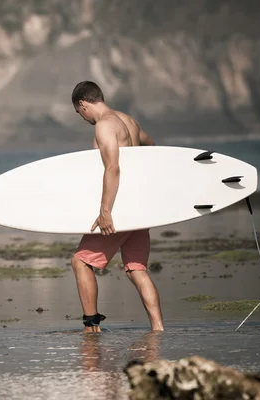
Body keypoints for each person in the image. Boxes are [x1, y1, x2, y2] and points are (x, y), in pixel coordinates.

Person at [70, 81, 164, 333]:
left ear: (83, 104)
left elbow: (112, 167)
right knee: (136, 268)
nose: (82, 118)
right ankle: (158, 328)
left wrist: (105, 211)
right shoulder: (128, 121)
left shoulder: (104, 126)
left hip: (120, 208)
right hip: (139, 208)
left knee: (80, 262)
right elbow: (151, 144)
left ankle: (91, 327)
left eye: (79, 113)